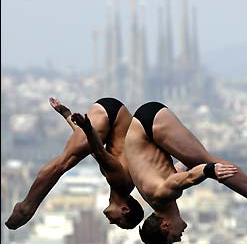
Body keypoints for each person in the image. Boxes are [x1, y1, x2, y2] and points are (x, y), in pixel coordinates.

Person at [124, 102, 247, 244]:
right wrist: (202, 168)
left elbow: (189, 177)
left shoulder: (161, 195)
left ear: (165, 226)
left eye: (172, 239)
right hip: (144, 124)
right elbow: (180, 171)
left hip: (149, 124)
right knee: (200, 159)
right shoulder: (157, 198)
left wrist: (210, 170)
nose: (179, 238)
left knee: (207, 160)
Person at [5, 97, 144, 230]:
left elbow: (91, 149)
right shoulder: (122, 183)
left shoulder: (121, 182)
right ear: (125, 209)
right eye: (118, 221)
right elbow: (99, 151)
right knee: (62, 164)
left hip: (112, 114)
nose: (111, 222)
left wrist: (67, 114)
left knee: (70, 158)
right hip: (111, 116)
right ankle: (26, 208)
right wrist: (87, 128)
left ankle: (27, 208)